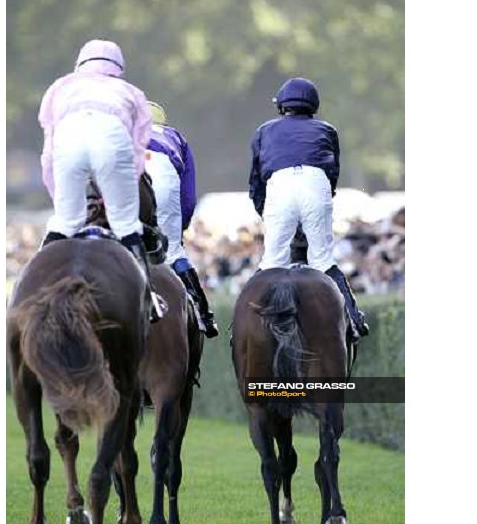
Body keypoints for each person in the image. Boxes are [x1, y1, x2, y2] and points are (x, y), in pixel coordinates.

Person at [37, 39, 164, 320]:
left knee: (64, 222)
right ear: (118, 68)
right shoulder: (131, 92)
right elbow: (137, 152)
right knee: (125, 223)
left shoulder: (60, 87)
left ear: (80, 64)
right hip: (112, 138)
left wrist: (59, 197)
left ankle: (30, 290)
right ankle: (149, 299)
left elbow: (48, 154)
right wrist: (119, 190)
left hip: (68, 139)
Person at [248, 77, 369, 342]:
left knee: (271, 263)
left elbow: (256, 184)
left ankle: (241, 327)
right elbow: (331, 175)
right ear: (313, 106)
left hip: (279, 187)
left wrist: (265, 213)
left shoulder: (263, 131)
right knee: (324, 261)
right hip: (316, 185)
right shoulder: (327, 129)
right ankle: (355, 319)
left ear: (282, 106)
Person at [145, 101, 219, 337]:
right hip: (166, 182)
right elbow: (187, 196)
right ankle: (204, 315)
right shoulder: (175, 137)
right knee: (174, 252)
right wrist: (179, 229)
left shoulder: (124, 133)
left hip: (133, 177)